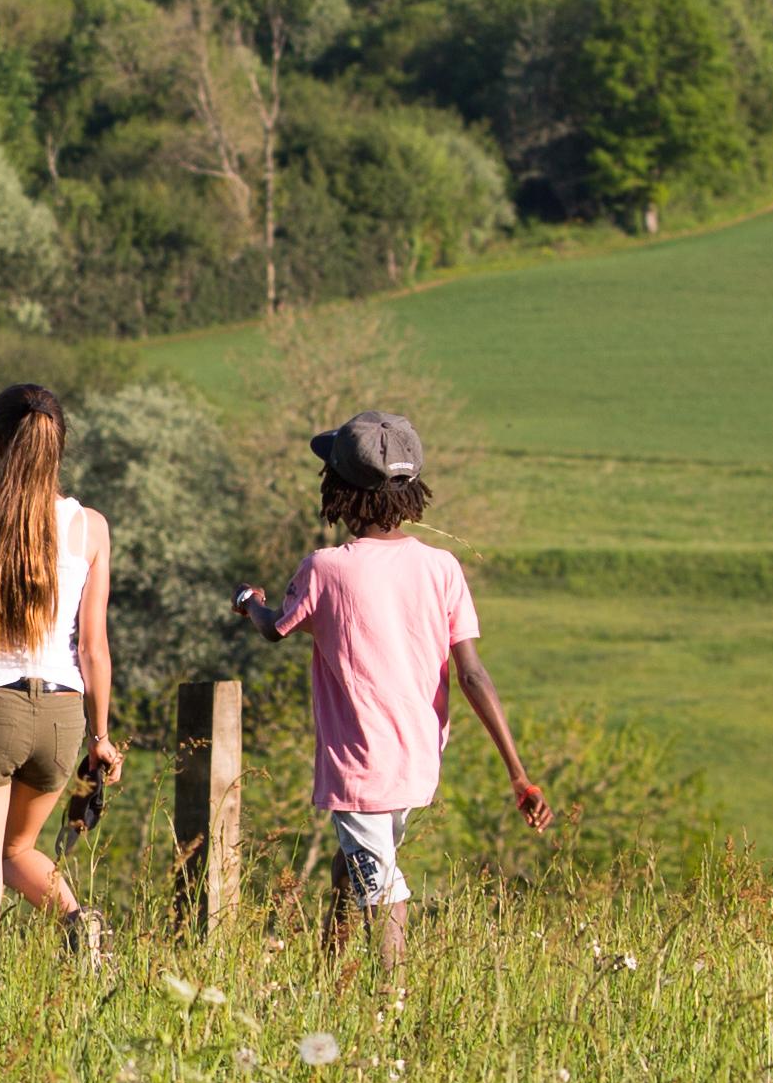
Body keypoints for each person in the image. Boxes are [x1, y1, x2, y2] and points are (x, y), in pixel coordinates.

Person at [230, 407, 547, 966]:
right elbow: (472, 673)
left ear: (339, 492)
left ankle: (391, 1006)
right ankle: (332, 976)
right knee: (354, 863)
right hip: (417, 759)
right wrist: (517, 774)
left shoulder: (326, 568)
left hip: (360, 761)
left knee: (383, 889)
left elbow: (275, 628)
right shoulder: (442, 567)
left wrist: (247, 602)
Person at [0, 380, 118, 962]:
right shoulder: (90, 527)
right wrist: (101, 736)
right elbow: (93, 647)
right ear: (57, 445)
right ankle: (77, 921)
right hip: (64, 714)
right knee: (20, 851)